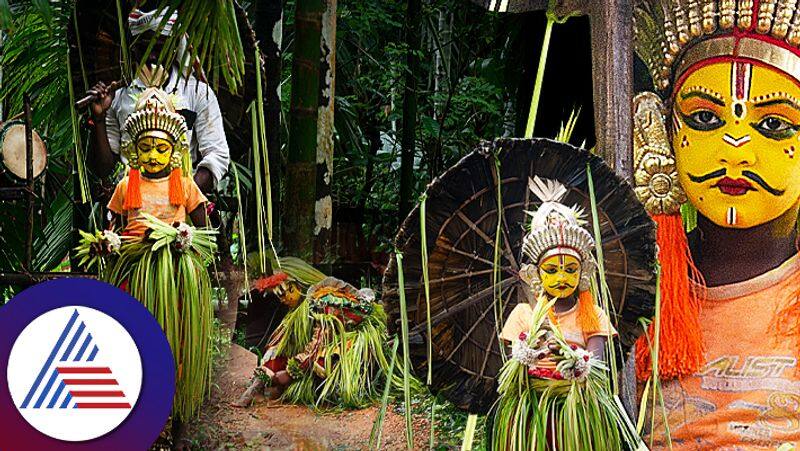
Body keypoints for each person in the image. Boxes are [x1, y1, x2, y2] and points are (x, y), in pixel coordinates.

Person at [633, 1, 800, 448]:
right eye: (705, 118)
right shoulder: (626, 283)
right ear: (661, 131)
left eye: (775, 123)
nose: (736, 151)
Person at [75, 80, 216, 450]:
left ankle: (179, 416)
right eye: (146, 147)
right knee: (132, 340)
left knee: (177, 342)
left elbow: (203, 228)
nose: (153, 155)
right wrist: (107, 242)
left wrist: (193, 249)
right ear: (135, 151)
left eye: (161, 148)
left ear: (174, 152)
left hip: (177, 276)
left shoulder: (185, 184)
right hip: (135, 273)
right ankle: (136, 415)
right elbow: (111, 225)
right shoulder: (127, 184)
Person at [490, 176, 638, 451]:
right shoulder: (524, 315)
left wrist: (577, 361)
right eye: (552, 270)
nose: (562, 278)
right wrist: (526, 353)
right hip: (532, 415)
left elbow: (595, 364)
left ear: (583, 274)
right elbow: (512, 365)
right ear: (536, 275)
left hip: (576, 411)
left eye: (570, 269)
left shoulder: (592, 314)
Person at [85, 7, 229, 193]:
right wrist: (98, 119)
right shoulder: (118, 97)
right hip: (130, 205)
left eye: (160, 49)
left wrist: (183, 194)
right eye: (145, 49)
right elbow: (104, 168)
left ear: (175, 48)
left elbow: (217, 155)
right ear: (133, 49)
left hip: (180, 205)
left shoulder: (197, 93)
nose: (152, 57)